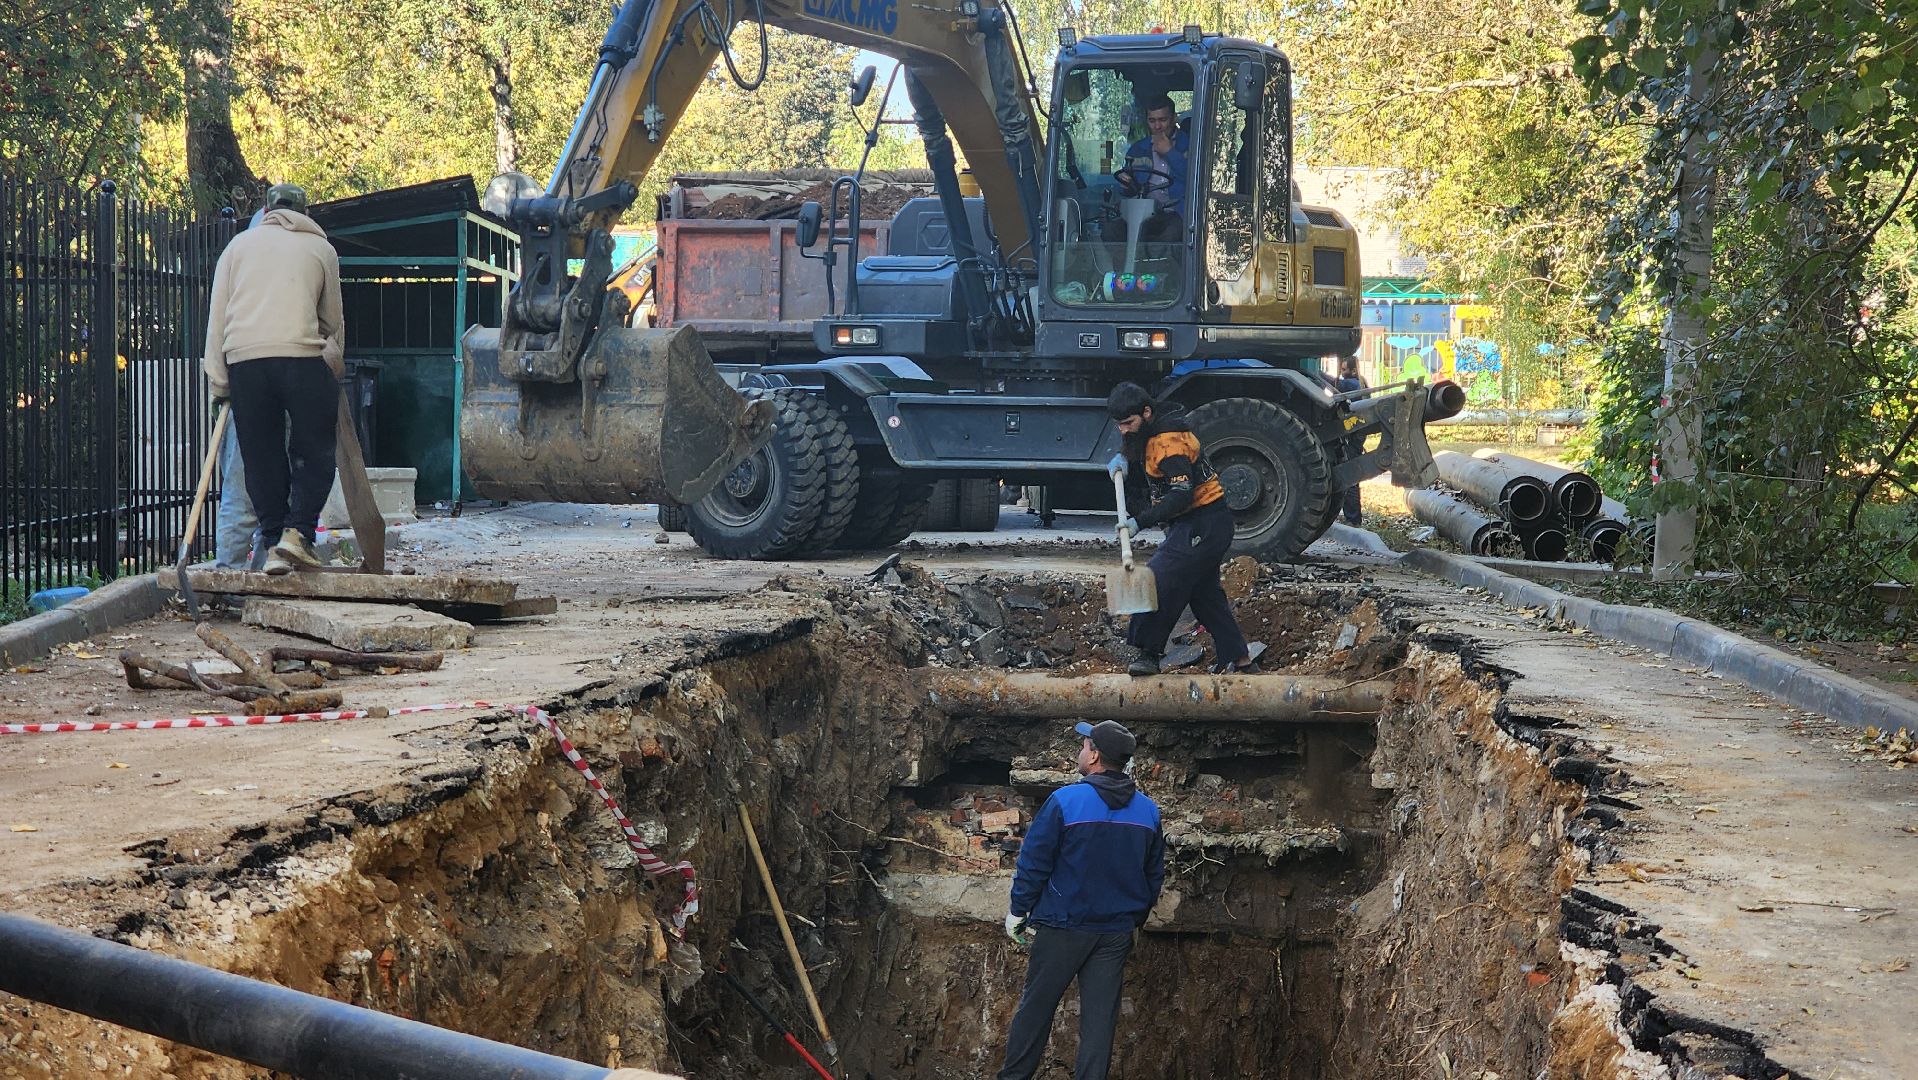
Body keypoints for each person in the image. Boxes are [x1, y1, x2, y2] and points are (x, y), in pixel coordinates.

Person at [997, 720, 1163, 1080]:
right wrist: (1133, 920)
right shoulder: (1148, 811)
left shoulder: (1065, 801)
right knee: (1099, 1025)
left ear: (1095, 756)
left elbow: (1034, 862)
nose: (1080, 751)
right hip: (1115, 932)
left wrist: (1018, 911)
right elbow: (1153, 876)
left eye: (1084, 745)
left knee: (1035, 1011)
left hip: (1063, 926)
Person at [202, 183, 343, 576]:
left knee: (260, 456)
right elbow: (332, 324)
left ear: (265, 212)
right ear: (305, 213)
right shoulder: (321, 249)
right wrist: (333, 369)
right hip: (301, 358)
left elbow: (217, 321)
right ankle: (297, 534)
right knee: (314, 449)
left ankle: (271, 538)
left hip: (245, 362)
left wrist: (219, 384)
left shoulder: (236, 248)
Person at [1105, 382, 1256, 676]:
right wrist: (1125, 460)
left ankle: (1149, 654)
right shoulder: (1150, 431)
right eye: (1118, 424)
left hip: (1203, 523)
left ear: (1146, 413)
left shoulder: (1170, 444)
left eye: (1128, 423)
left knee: (1161, 578)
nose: (1123, 430)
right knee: (1204, 595)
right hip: (1200, 524)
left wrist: (1141, 522)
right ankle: (1240, 660)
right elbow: (1140, 451)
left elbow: (1181, 495)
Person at [1116, 95, 1188, 246]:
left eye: (1163, 120)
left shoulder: (1190, 145)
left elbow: (1195, 179)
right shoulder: (1138, 149)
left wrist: (1170, 153)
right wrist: (1126, 183)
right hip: (1143, 210)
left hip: (1177, 211)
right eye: (1152, 121)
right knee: (1111, 230)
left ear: (1174, 119)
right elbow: (1128, 189)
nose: (1157, 126)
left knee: (1171, 234)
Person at [1334, 355, 1368, 527]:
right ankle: (1353, 517)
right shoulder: (1361, 383)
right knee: (1352, 475)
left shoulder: (1351, 384)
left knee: (1350, 476)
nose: (1342, 373)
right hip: (1359, 433)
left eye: (1344, 369)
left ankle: (1353, 518)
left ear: (1353, 370)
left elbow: (1333, 382)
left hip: (1353, 434)